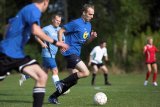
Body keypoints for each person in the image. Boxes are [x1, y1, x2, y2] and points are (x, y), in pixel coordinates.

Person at [0, 0, 69, 107]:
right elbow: (36, 31)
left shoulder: (26, 10)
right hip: (7, 54)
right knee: (44, 74)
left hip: (16, 54)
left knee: (42, 76)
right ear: (45, 2)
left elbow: (7, 26)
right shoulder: (34, 10)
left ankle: (25, 77)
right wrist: (56, 42)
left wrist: (7, 40)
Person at [48, 4, 97, 104]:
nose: (92, 16)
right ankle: (60, 82)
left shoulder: (89, 25)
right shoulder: (76, 23)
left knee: (73, 80)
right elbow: (61, 31)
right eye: (90, 14)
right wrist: (61, 44)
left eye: (93, 14)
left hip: (76, 53)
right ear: (84, 13)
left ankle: (53, 97)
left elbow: (84, 41)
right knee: (86, 72)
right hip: (70, 52)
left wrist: (91, 38)